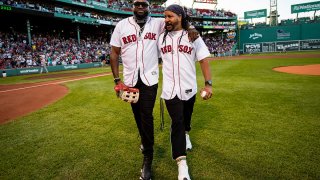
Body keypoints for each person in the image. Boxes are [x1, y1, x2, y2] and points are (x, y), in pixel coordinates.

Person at [109, 1, 199, 179]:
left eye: (144, 4)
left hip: (150, 78)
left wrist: (191, 27)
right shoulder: (121, 25)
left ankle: (147, 159)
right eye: (137, 4)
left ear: (149, 6)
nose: (141, 6)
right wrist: (117, 80)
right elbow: (114, 53)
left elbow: (178, 21)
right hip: (130, 79)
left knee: (146, 115)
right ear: (132, 6)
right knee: (137, 116)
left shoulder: (158, 23)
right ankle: (145, 141)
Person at [158, 4, 213, 180]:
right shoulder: (161, 38)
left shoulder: (193, 36)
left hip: (189, 88)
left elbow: (204, 60)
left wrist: (208, 84)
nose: (166, 20)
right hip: (169, 90)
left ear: (180, 17)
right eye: (165, 16)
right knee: (177, 122)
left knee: (186, 120)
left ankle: (187, 135)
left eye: (170, 16)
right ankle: (182, 165)